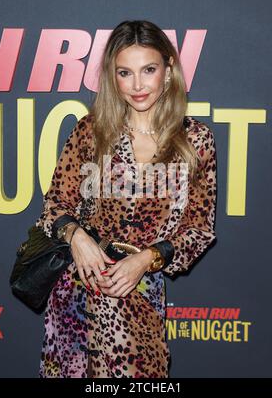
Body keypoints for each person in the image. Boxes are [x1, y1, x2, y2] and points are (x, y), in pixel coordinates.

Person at [35, 19, 217, 378]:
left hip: (139, 297)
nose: (137, 85)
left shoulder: (195, 141)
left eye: (148, 69)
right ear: (112, 77)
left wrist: (146, 259)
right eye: (125, 72)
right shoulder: (91, 131)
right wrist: (77, 237)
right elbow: (55, 204)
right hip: (78, 290)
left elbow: (199, 230)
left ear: (168, 71)